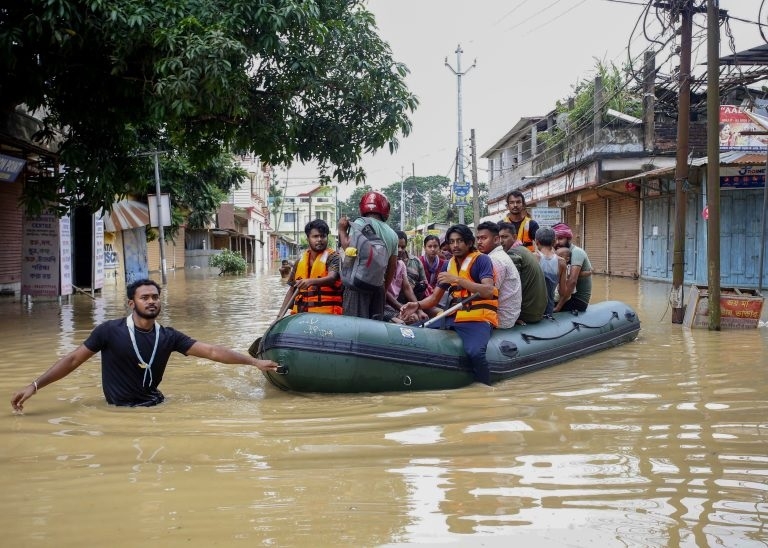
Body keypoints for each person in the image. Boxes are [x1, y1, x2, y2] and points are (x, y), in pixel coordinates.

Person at [11, 279, 279, 410]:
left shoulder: (169, 336)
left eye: (155, 297)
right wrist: (34, 386)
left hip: (156, 406)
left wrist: (254, 362)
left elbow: (210, 351)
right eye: (145, 298)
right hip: (118, 411)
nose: (151, 301)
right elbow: (72, 360)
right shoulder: (108, 331)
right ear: (132, 303)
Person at [400, 224, 498, 385]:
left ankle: (485, 389)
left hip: (477, 320)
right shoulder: (448, 265)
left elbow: (488, 290)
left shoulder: (482, 260)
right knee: (415, 331)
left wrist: (458, 280)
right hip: (453, 316)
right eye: (451, 242)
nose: (455, 245)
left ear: (468, 242)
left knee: (475, 353)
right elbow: (434, 299)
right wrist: (416, 305)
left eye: (459, 241)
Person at [337, 191, 399, 319]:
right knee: (375, 331)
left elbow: (349, 248)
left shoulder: (360, 223)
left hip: (358, 286)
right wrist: (383, 289)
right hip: (378, 288)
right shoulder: (393, 234)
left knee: (354, 328)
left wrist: (342, 230)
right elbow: (392, 267)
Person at [280, 219, 343, 315]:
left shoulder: (334, 257)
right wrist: (279, 316)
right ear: (308, 238)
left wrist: (310, 281)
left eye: (323, 236)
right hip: (302, 316)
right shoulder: (299, 261)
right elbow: (291, 290)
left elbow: (332, 278)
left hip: (328, 316)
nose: (319, 240)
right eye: (315, 236)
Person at [498, 221, 548, 324]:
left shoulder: (513, 254)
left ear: (515, 236)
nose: (501, 241)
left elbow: (512, 289)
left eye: (505, 237)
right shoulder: (523, 249)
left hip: (527, 313)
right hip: (537, 310)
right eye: (498, 238)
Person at [475, 221, 521, 329]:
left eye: (483, 238)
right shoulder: (498, 255)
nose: (479, 242)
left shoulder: (495, 259)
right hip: (508, 315)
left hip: (501, 319)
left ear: (496, 239)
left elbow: (489, 294)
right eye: (478, 238)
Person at [553, 222, 592, 312]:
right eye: (555, 239)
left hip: (577, 300)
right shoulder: (558, 253)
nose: (557, 242)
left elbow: (572, 281)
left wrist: (558, 307)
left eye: (561, 239)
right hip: (563, 295)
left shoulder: (576, 252)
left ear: (568, 238)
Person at [534, 227, 569, 315]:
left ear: (536, 242)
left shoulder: (532, 258)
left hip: (532, 308)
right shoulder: (561, 262)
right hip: (549, 307)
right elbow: (562, 292)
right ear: (554, 242)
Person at [396, 230, 429, 300]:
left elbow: (424, 282)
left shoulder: (416, 261)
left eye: (403, 247)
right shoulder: (388, 261)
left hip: (414, 300)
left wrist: (420, 286)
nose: (400, 250)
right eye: (397, 246)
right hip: (394, 302)